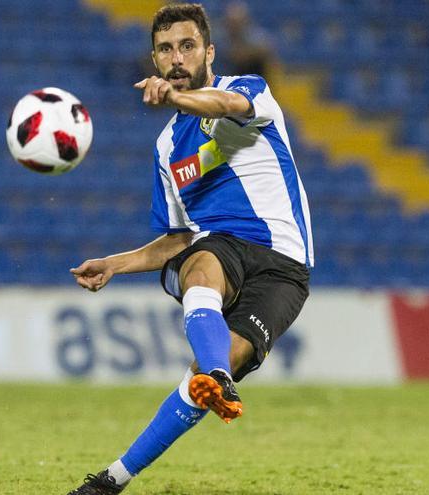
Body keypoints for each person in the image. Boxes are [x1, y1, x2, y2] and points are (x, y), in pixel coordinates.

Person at [66, 4, 313, 493]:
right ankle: (110, 483)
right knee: (200, 258)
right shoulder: (166, 149)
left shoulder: (248, 90)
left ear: (208, 52)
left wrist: (180, 99)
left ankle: (212, 375)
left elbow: (221, 107)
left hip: (285, 267)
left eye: (187, 46)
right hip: (221, 250)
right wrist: (113, 264)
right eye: (165, 50)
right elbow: (176, 240)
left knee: (206, 368)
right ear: (154, 60)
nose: (176, 58)